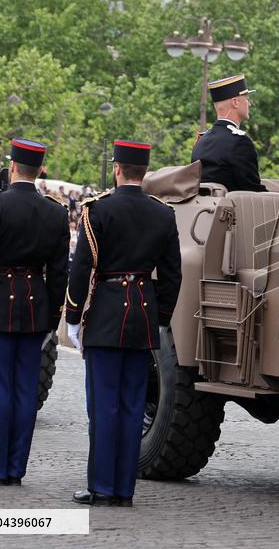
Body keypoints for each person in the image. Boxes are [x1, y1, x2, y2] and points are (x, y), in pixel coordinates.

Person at [66, 140, 182, 506]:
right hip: (142, 317)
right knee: (133, 405)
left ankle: (101, 486)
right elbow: (173, 275)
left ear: (117, 168)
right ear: (143, 172)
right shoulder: (162, 214)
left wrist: (72, 316)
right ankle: (123, 489)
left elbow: (82, 267)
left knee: (103, 405)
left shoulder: (98, 212)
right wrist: (160, 316)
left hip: (105, 314)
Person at [0, 138, 69, 486]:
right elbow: (59, 273)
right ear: (39, 171)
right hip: (35, 308)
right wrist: (52, 319)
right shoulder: (55, 212)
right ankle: (15, 468)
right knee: (25, 393)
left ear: (12, 168)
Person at [191, 74, 265, 192]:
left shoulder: (202, 140)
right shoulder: (239, 142)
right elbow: (253, 190)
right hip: (235, 209)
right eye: (246, 99)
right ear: (235, 102)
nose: (249, 104)